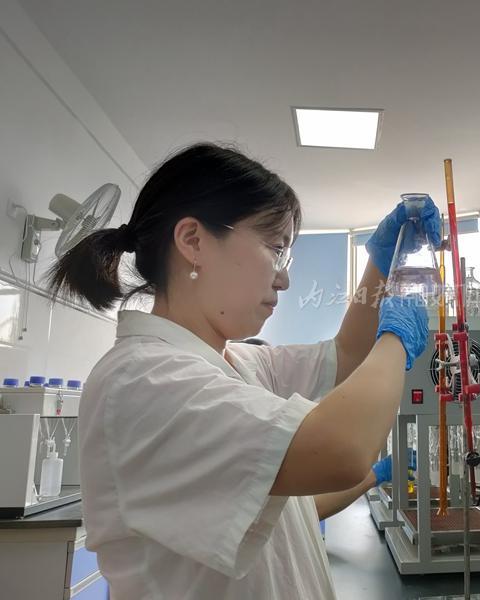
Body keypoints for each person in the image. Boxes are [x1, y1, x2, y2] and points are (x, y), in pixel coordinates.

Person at [46, 142, 440, 600]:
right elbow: (342, 450)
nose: (284, 279)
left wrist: (382, 261)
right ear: (193, 241)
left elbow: (347, 354)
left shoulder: (239, 362)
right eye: (276, 248)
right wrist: (396, 338)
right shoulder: (142, 380)